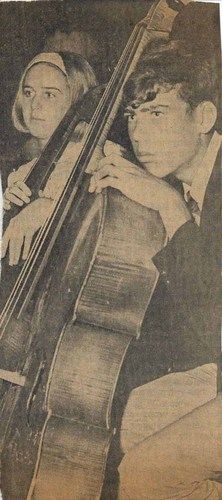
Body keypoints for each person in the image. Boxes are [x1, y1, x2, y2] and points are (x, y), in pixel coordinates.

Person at [89, 38, 221, 498]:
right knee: (139, 411)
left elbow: (214, 321)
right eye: (133, 117)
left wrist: (169, 208)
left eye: (157, 113)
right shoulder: (189, 182)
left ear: (203, 118)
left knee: (147, 472)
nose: (140, 134)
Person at [1, 51, 97, 267]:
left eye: (49, 94)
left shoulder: (98, 155)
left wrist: (51, 206)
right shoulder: (23, 174)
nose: (35, 105)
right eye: (28, 93)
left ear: (76, 100)